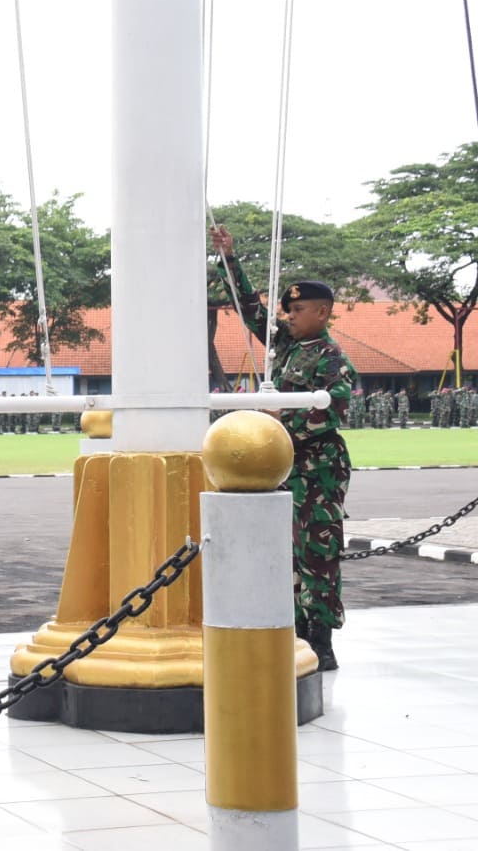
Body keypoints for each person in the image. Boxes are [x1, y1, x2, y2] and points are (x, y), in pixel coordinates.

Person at [211, 224, 352, 672]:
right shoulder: (288, 346)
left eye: (299, 309)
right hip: (283, 466)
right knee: (286, 553)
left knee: (319, 552)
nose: (289, 315)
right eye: (288, 308)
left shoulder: (332, 359)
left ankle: (321, 639)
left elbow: (330, 412)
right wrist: (229, 259)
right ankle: (293, 629)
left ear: (323, 313)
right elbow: (251, 309)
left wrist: (277, 425)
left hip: (318, 467)